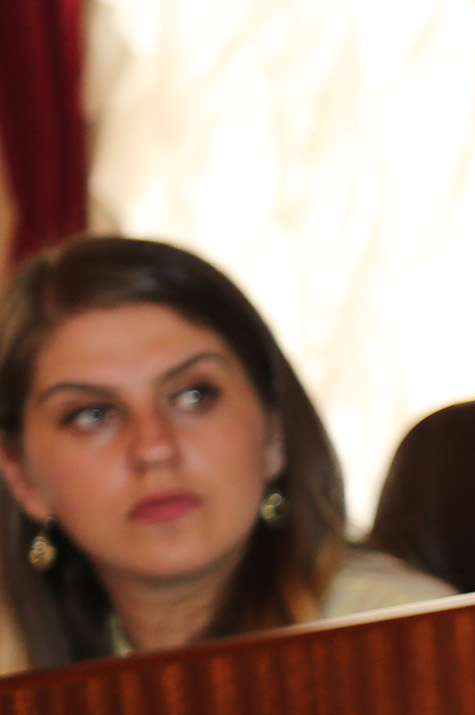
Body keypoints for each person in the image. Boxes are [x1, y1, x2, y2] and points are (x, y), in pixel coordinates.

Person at [0, 236, 450, 676]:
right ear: (22, 477)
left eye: (194, 395)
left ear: (274, 431)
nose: (154, 448)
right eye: (92, 415)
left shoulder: (413, 639)